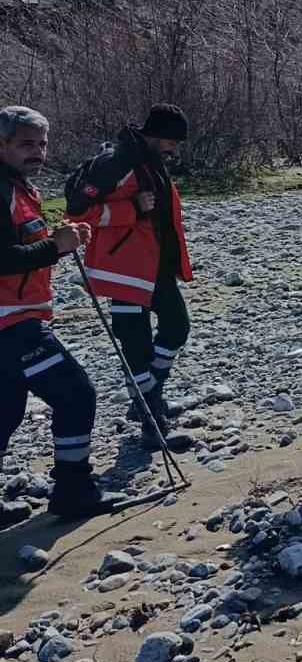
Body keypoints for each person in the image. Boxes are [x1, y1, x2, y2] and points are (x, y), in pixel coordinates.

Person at [0, 105, 106, 522]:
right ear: (2, 144)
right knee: (76, 394)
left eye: (42, 144)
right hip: (11, 324)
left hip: (18, 316)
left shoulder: (19, 186)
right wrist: (55, 247)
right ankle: (73, 490)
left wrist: (62, 241)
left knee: (5, 411)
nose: (37, 152)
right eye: (26, 144)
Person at [66, 104, 193, 447]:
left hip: (156, 269)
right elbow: (77, 211)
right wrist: (131, 209)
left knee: (177, 327)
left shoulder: (148, 159)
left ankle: (149, 396)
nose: (174, 149)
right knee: (136, 346)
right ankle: (151, 417)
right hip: (125, 271)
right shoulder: (118, 163)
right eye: (171, 142)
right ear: (155, 135)